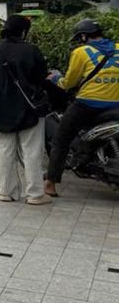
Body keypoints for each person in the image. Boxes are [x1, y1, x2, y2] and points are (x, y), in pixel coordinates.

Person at [44, 18, 119, 197]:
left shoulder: (81, 52)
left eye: (80, 38)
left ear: (84, 36)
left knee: (61, 139)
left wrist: (55, 79)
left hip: (88, 104)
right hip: (116, 104)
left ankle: (50, 184)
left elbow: (69, 82)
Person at [0, 15, 51, 204]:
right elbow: (42, 79)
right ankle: (35, 194)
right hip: (29, 110)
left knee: (5, 152)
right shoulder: (32, 50)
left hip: (1, 111)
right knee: (32, 153)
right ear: (23, 31)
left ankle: (6, 191)